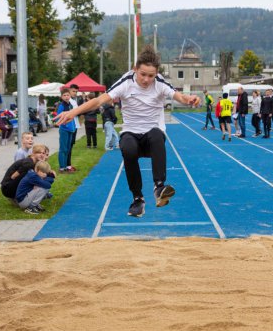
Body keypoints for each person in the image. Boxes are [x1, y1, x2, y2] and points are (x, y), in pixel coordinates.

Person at [54, 45, 200, 217]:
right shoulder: (126, 82)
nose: (146, 79)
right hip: (131, 132)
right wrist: (73, 112)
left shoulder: (159, 83)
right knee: (128, 148)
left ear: (156, 74)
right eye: (142, 74)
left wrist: (189, 99)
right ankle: (138, 199)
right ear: (135, 69)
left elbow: (178, 96)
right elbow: (99, 101)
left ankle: (159, 186)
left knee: (156, 134)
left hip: (152, 138)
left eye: (151, 76)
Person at [57, 87, 76, 173]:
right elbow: (59, 118)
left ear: (70, 95)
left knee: (68, 148)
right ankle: (62, 167)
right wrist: (65, 124)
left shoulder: (71, 105)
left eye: (67, 95)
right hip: (64, 130)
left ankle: (67, 166)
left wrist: (73, 127)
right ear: (61, 97)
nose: (66, 97)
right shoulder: (61, 106)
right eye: (64, 95)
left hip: (71, 129)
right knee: (63, 149)